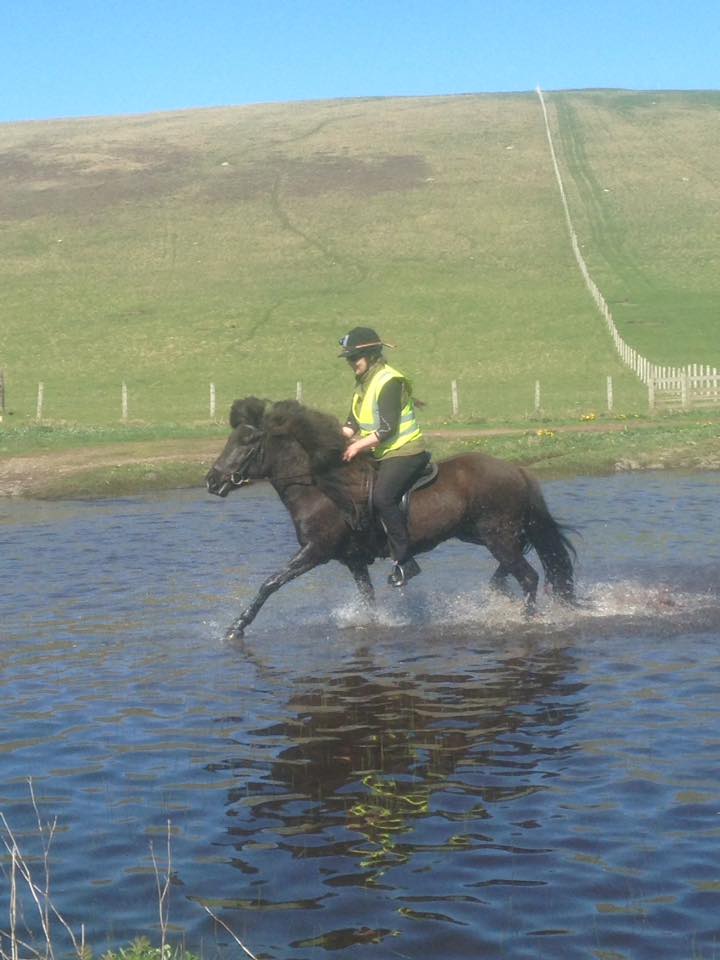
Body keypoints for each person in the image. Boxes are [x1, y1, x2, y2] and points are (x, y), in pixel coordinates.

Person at [338, 326, 430, 587]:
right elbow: (350, 425)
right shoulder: (364, 383)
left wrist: (356, 447)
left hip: (405, 451)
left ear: (371, 355)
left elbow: (386, 429)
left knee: (382, 496)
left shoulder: (388, 381)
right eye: (348, 359)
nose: (350, 363)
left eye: (354, 358)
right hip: (382, 453)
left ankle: (404, 560)